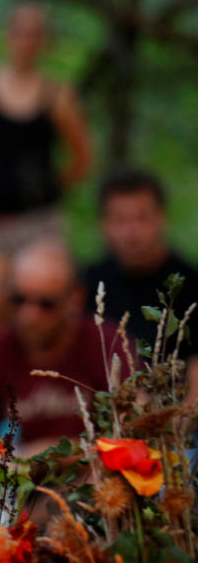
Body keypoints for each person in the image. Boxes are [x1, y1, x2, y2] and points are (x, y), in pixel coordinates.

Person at [0, 2, 91, 267]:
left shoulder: (59, 95)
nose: (25, 42)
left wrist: (50, 186)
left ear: (46, 41)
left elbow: (82, 159)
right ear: (5, 35)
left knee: (40, 294)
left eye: (34, 34)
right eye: (18, 32)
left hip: (38, 220)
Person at [0, 241, 120, 457]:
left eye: (46, 304)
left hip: (91, 479)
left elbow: (133, 430)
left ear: (75, 299)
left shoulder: (106, 344)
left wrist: (54, 455)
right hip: (13, 482)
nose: (29, 316)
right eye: (19, 300)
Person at [83, 168, 198, 399]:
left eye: (141, 218)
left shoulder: (191, 285)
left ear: (161, 218)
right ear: (103, 224)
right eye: (120, 220)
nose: (131, 232)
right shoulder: (86, 284)